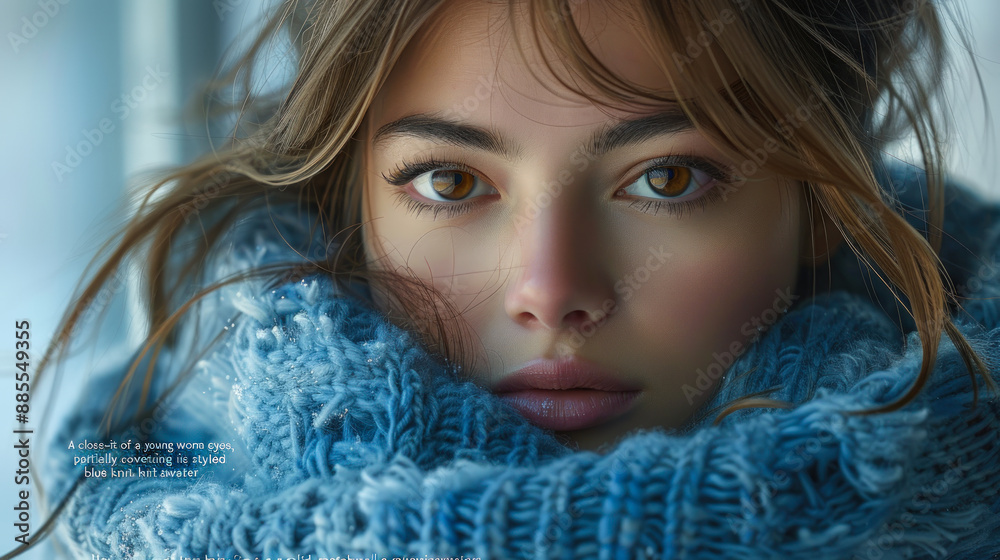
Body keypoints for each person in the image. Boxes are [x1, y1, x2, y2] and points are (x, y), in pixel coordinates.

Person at [11, 0, 1000, 558]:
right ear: (348, 206)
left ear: (820, 204)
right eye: (450, 182)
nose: (550, 289)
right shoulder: (140, 488)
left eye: (666, 178)